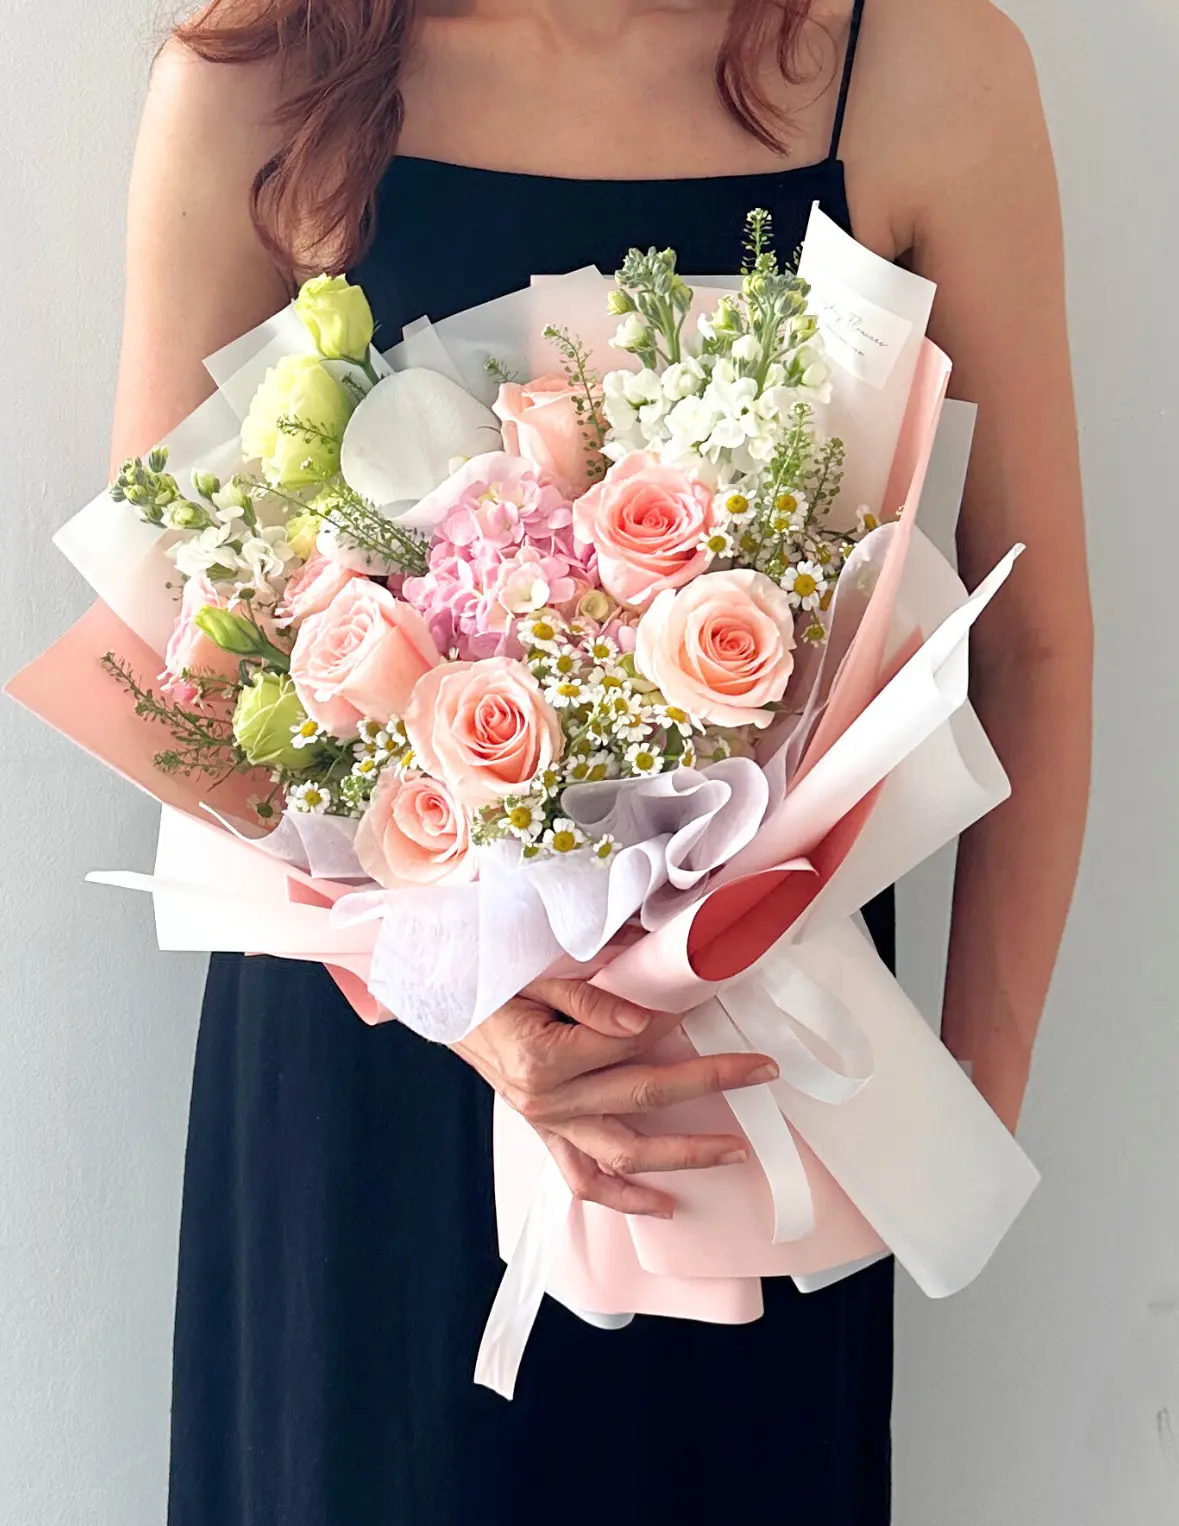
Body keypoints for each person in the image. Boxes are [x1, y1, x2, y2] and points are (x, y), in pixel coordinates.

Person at [110, 1, 1092, 1521]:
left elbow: (1025, 642)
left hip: (738, 1088)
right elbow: (162, 653)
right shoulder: (260, 70)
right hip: (370, 1081)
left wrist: (955, 1100)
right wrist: (458, 986)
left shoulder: (913, 65)